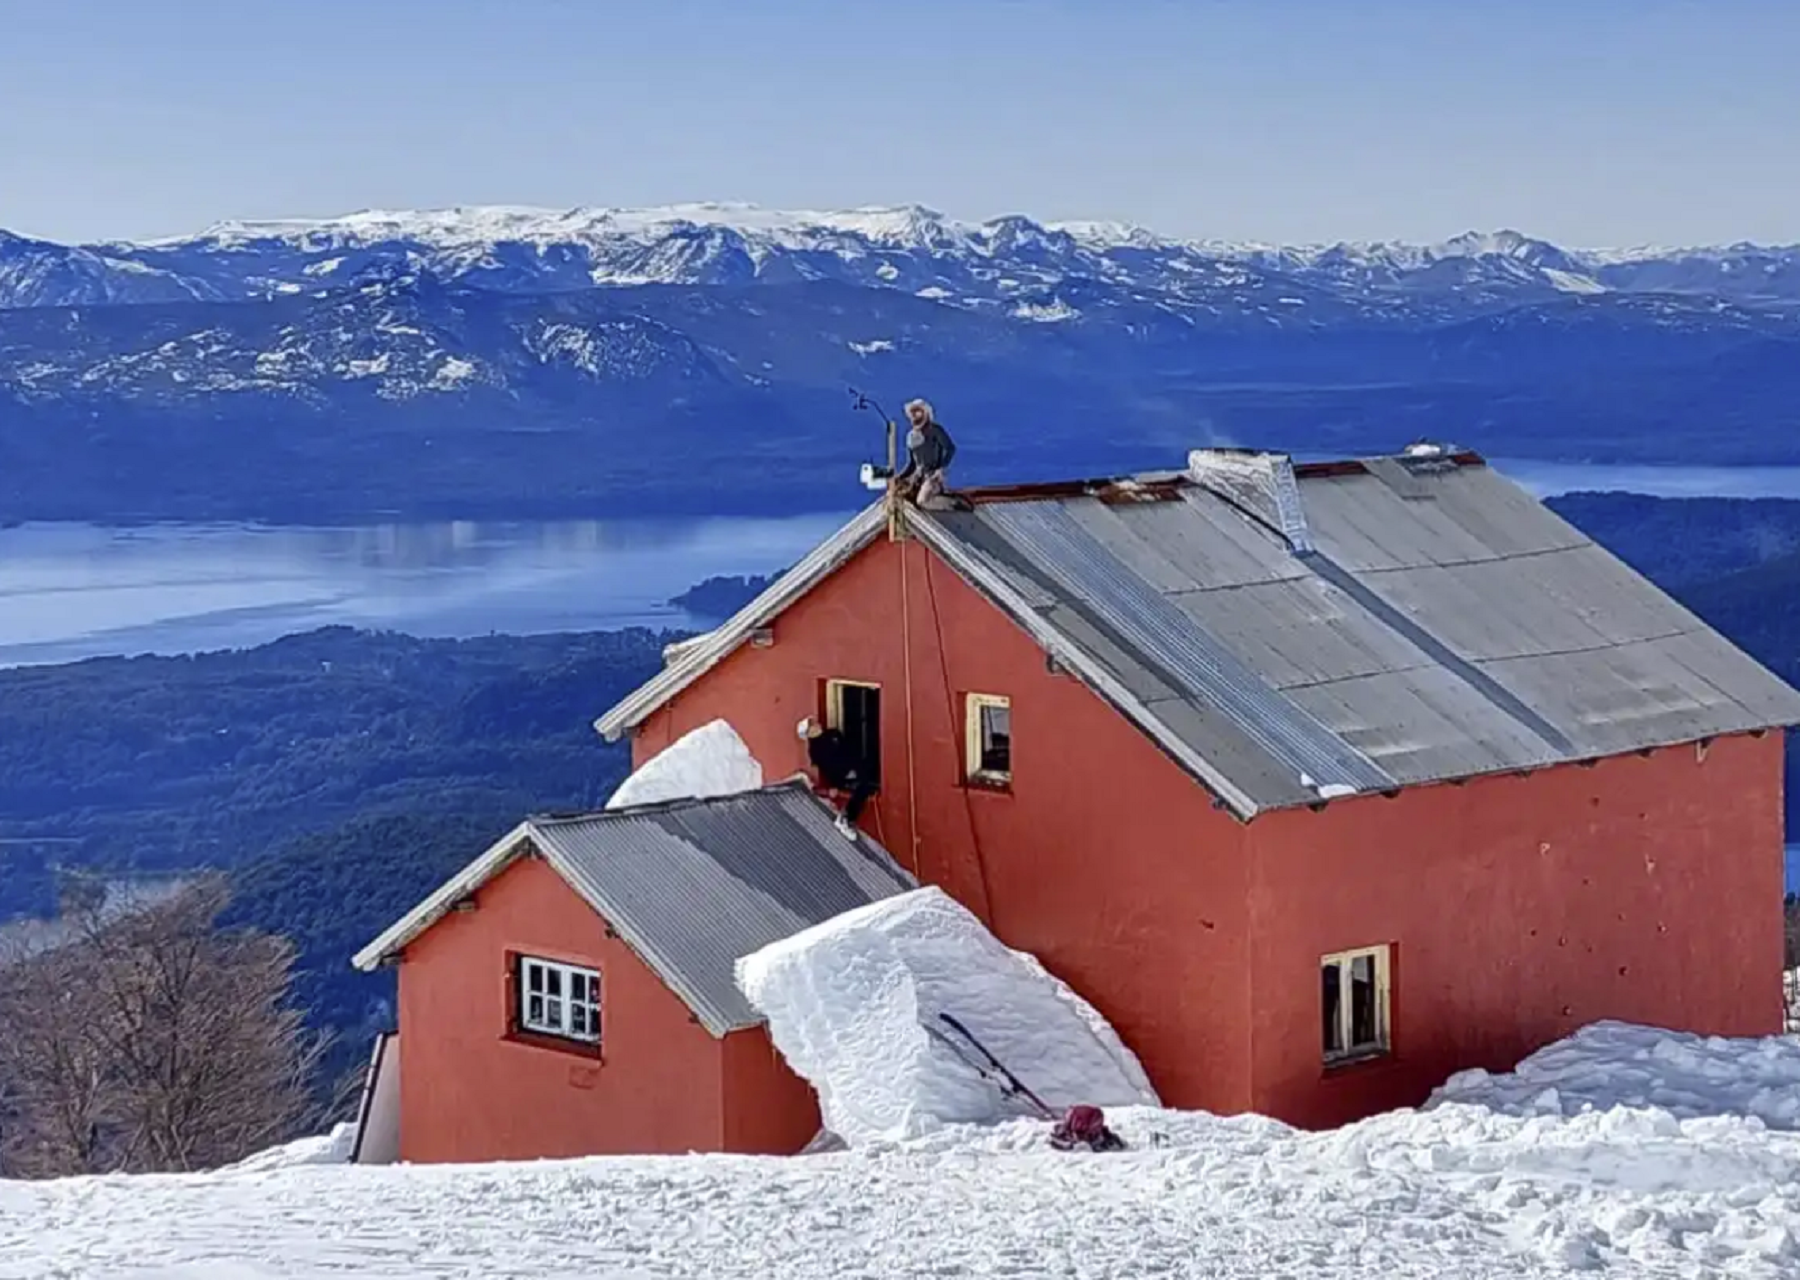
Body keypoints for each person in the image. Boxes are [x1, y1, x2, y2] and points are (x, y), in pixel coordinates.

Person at [798, 717, 874, 838]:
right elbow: (828, 768)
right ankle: (846, 819)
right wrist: (835, 784)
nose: (816, 724)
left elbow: (849, 749)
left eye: (814, 722)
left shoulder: (833, 733)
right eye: (811, 725)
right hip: (843, 777)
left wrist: (856, 767)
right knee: (863, 788)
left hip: (857, 769)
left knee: (868, 781)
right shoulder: (815, 750)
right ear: (808, 733)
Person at [893, 398, 956, 508]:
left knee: (922, 501)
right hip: (917, 478)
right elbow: (912, 464)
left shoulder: (935, 430)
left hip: (933, 477)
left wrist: (940, 469)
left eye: (918, 411)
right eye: (913, 413)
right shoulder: (910, 437)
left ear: (925, 413)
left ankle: (952, 505)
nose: (915, 416)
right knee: (898, 499)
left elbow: (950, 448)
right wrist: (899, 478)